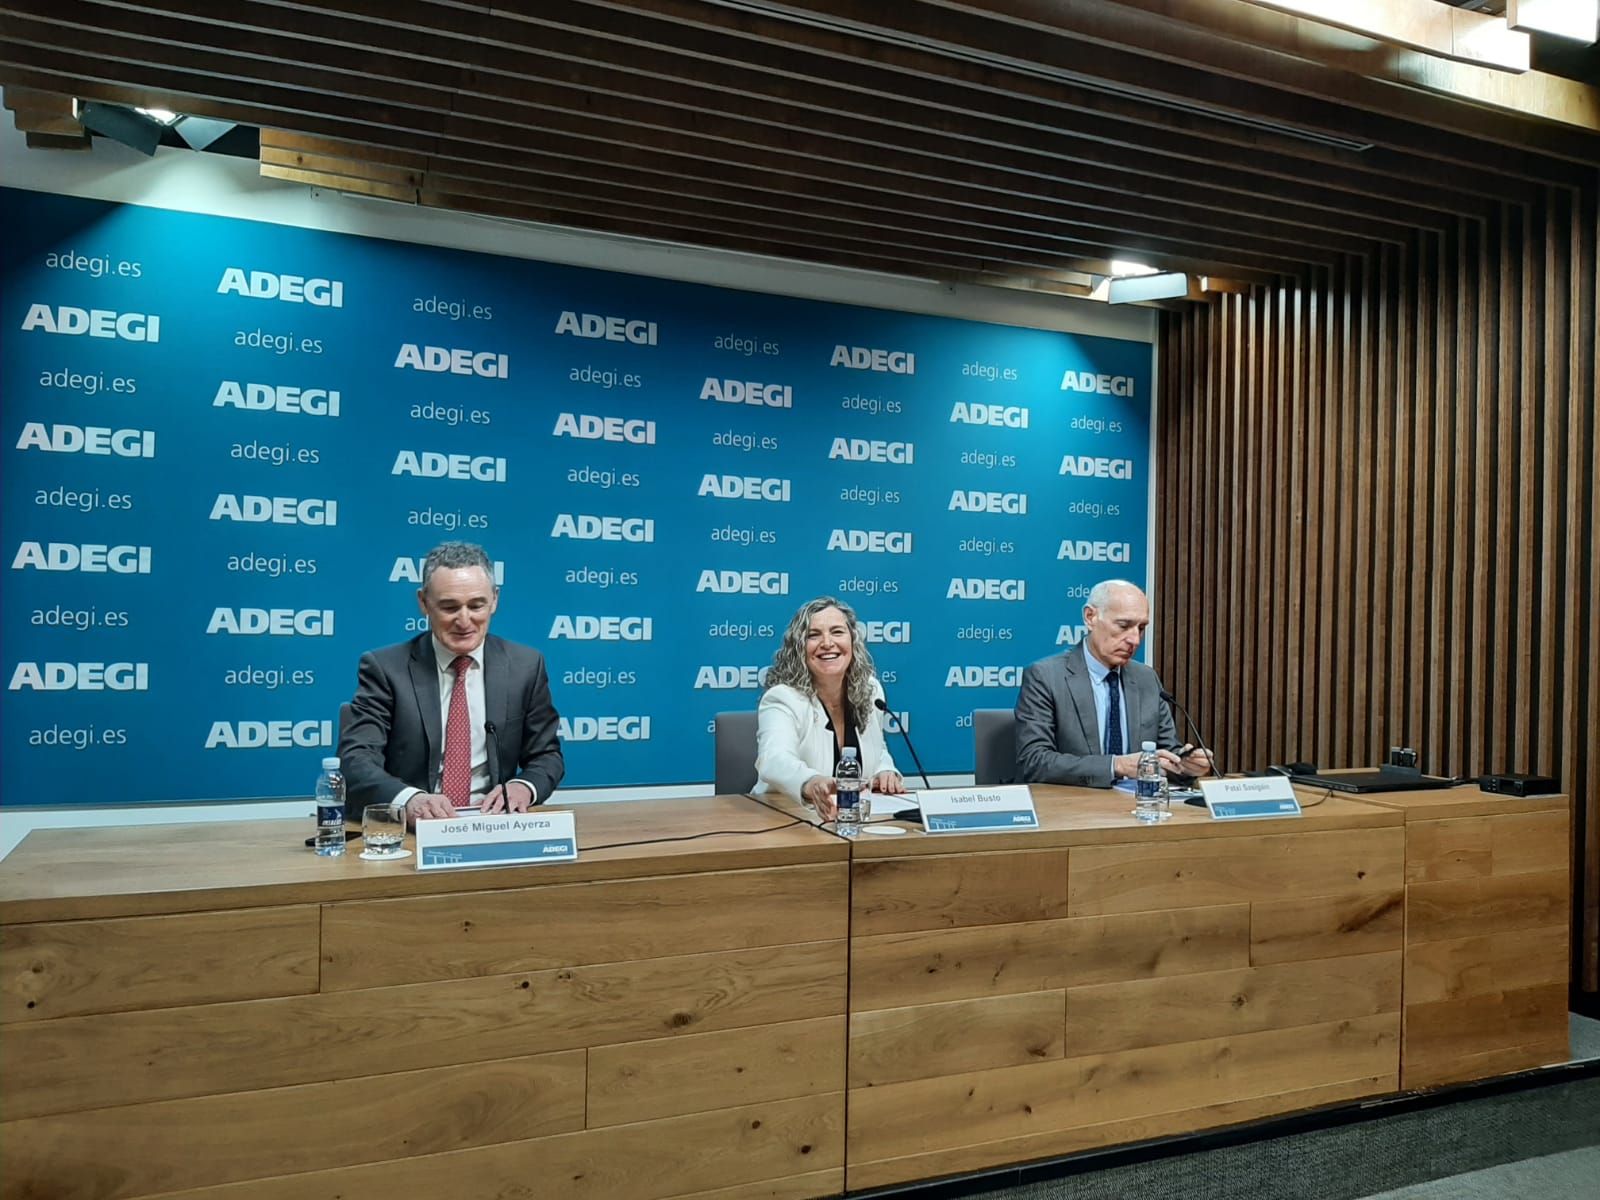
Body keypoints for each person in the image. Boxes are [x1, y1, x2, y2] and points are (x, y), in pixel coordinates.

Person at [339, 541, 564, 824]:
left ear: (494, 600)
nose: (464, 620)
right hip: (411, 829)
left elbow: (547, 756)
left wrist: (524, 787)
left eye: (476, 605)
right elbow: (356, 758)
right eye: (449, 607)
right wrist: (409, 799)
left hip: (493, 824)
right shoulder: (385, 669)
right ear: (423, 603)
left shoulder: (526, 666)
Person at [1014, 579, 1212, 787]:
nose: (1134, 640)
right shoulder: (1046, 676)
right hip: (1075, 809)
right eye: (1124, 626)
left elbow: (1166, 754)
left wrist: (1184, 766)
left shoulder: (1146, 679)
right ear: (1090, 617)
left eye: (1141, 628)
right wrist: (1115, 765)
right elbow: (1034, 761)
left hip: (1138, 808)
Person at [755, 596, 904, 818]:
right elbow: (774, 759)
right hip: (785, 819)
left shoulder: (869, 689)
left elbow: (876, 746)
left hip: (850, 821)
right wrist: (810, 782)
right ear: (798, 648)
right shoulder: (782, 698)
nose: (827, 643)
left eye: (837, 632)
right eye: (814, 635)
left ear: (853, 641)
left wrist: (885, 770)